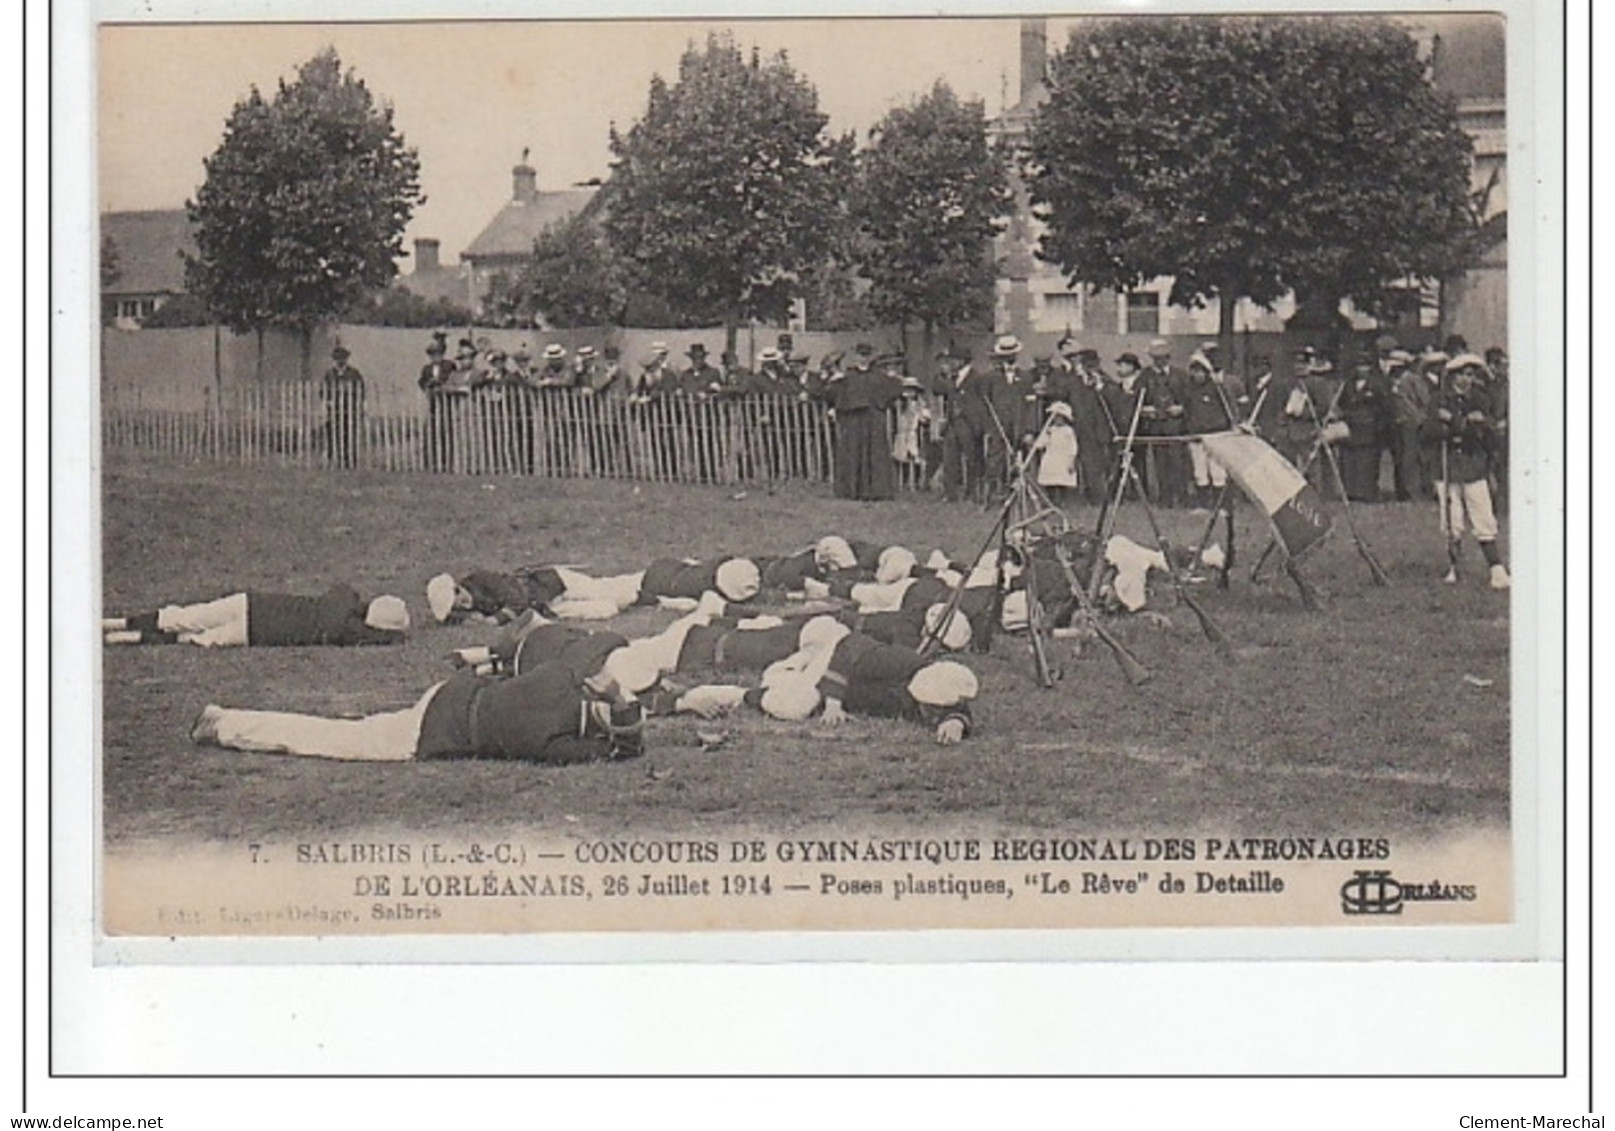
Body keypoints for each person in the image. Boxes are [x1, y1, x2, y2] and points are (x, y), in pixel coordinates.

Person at [188, 645, 739, 766]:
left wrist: (618, 699)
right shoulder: (558, 745)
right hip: (437, 732)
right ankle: (225, 725)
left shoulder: (559, 675)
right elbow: (602, 755)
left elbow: (590, 679)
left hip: (451, 696)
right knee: (330, 739)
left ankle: (230, 719)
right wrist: (623, 744)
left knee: (347, 728)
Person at [1422, 354, 1510, 589]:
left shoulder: (1480, 399)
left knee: (1482, 514)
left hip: (1473, 465)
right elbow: (1429, 431)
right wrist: (1456, 425)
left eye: (1470, 375)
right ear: (1451, 376)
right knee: (1452, 518)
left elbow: (1484, 431)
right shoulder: (1439, 400)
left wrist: (1455, 422)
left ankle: (1496, 568)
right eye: (1461, 374)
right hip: (1447, 466)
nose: (1466, 380)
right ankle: (1454, 566)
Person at [104, 585, 409, 647]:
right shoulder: (346, 630)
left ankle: (122, 622)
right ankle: (132, 636)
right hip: (257, 632)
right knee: (193, 639)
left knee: (188, 616)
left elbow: (345, 589)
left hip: (255, 603)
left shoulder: (341, 601)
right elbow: (374, 636)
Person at [823, 343, 901, 501]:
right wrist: (833, 381)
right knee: (852, 452)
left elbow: (895, 390)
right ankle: (851, 490)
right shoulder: (847, 376)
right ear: (855, 356)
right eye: (860, 355)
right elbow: (831, 394)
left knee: (876, 453)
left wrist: (893, 381)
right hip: (853, 420)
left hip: (874, 419)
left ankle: (877, 491)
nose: (863, 358)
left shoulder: (879, 376)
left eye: (866, 355)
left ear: (871, 356)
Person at [1179, 350, 1243, 510]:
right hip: (1196, 436)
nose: (1197, 375)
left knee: (1218, 472)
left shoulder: (1218, 389)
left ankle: (1221, 506)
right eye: (1194, 372)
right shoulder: (1189, 391)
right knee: (1200, 471)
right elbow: (1187, 412)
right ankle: (1203, 505)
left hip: (1217, 436)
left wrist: (1232, 425)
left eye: (1200, 371)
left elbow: (1231, 409)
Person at [1138, 339, 1187, 506]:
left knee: (1177, 461)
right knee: (1160, 462)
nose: (1159, 362)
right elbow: (1136, 399)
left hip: (1175, 425)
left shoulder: (1180, 375)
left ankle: (1180, 496)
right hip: (1156, 426)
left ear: (1169, 357)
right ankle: (1164, 497)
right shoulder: (1145, 376)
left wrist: (1181, 408)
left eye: (1163, 358)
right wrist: (1145, 409)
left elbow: (1189, 399)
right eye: (1156, 358)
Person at [1335, 357, 1392, 502]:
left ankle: (1367, 493)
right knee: (1349, 461)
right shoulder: (1347, 385)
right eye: (1359, 366)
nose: (1362, 370)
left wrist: (1379, 426)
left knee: (1367, 462)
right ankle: (1351, 492)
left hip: (1370, 428)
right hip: (1352, 425)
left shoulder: (1377, 385)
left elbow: (1385, 406)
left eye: (1365, 366)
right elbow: (1340, 403)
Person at [321, 345, 366, 469]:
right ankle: (333, 459)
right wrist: (328, 402)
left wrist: (358, 404)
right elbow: (323, 391)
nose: (340, 361)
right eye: (337, 359)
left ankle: (349, 460)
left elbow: (360, 389)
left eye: (343, 358)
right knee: (332, 434)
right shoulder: (329, 374)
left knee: (349, 435)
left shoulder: (354, 373)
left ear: (346, 359)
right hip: (334, 410)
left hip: (349, 409)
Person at [418, 334, 457, 472]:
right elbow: (421, 382)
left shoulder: (449, 365)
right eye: (432, 354)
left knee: (446, 433)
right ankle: (432, 462)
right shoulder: (427, 369)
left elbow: (453, 379)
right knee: (432, 433)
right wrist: (429, 385)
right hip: (433, 404)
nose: (435, 357)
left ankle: (447, 463)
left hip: (447, 403)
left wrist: (441, 384)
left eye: (438, 354)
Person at [1032, 401, 1079, 507]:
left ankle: (1060, 501)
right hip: (1051, 457)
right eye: (1055, 417)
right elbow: (1040, 444)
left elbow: (1073, 447)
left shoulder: (1068, 431)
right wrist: (1038, 440)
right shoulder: (1050, 430)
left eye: (1059, 417)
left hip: (1063, 458)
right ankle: (1050, 500)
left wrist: (1071, 461)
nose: (1057, 420)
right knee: (1050, 480)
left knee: (1061, 480)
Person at [891, 373, 932, 491]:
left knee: (915, 457)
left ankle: (917, 481)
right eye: (907, 390)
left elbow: (924, 416)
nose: (909, 393)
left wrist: (923, 417)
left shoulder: (919, 404)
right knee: (901, 457)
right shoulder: (899, 405)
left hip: (913, 433)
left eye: (912, 390)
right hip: (901, 433)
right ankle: (902, 481)